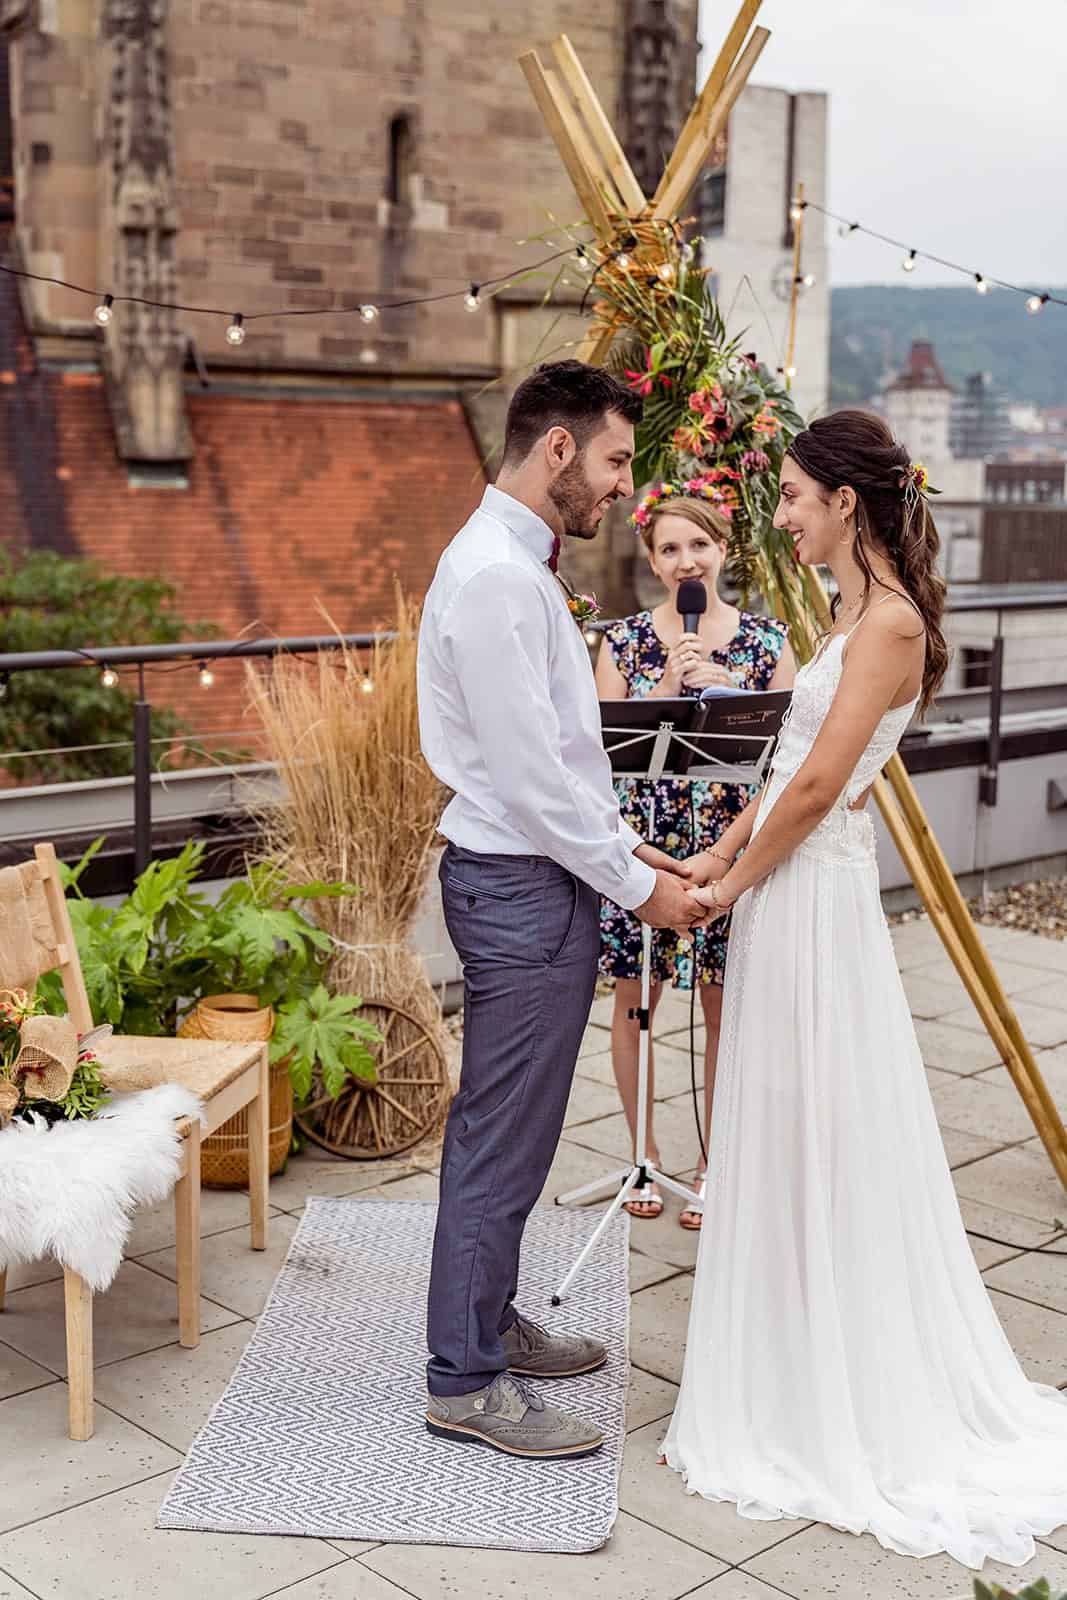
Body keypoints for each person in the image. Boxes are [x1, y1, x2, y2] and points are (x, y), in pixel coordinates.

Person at [662, 410, 1067, 1568]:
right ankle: (790, 1343)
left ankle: (829, 1381)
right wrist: (710, 850)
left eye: (791, 496)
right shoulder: (844, 614)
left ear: (845, 503)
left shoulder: (887, 623)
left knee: (820, 1121)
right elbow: (781, 771)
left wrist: (731, 883)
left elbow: (820, 789)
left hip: (813, 902)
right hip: (784, 884)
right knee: (782, 1120)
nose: (778, 516)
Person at [417, 359, 706, 1463]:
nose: (623, 488)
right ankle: (463, 1378)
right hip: (519, 887)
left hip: (539, 876)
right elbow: (532, 782)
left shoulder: (508, 564)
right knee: (499, 1137)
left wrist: (636, 850)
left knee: (521, 1132)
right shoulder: (494, 577)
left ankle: (484, 1322)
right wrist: (646, 891)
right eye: (616, 459)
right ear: (555, 450)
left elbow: (557, 763)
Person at [595, 493, 795, 1227]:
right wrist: (661, 687)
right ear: (652, 563)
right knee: (634, 1001)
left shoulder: (766, 642)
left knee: (723, 1007)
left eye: (698, 546)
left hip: (727, 843)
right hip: (641, 842)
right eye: (670, 549)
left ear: (722, 551)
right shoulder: (618, 643)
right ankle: (642, 1157)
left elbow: (788, 761)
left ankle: (715, 1164)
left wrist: (730, 688)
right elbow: (597, 756)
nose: (686, 561)